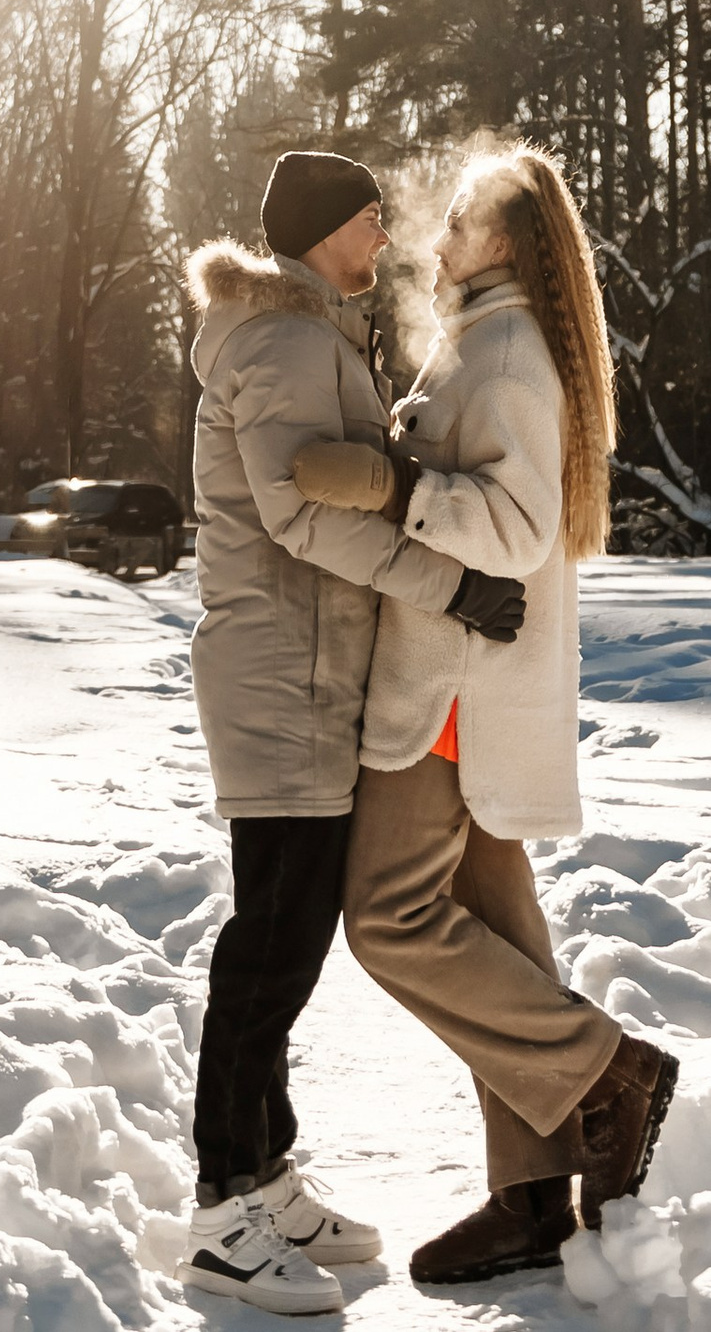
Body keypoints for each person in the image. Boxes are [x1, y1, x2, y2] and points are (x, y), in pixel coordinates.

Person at [301, 142, 675, 1285]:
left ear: (507, 239)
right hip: (463, 684)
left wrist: (395, 485)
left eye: (461, 220)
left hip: (449, 694)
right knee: (499, 940)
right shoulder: (489, 337)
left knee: (389, 917)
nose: (440, 235)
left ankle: (609, 1071)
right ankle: (529, 1196)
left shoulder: (505, 353)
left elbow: (513, 532)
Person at [183, 146, 530, 1314]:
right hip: (281, 671)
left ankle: (266, 1174)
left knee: (290, 933)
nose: (384, 236)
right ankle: (222, 1208)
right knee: (271, 944)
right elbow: (301, 517)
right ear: (324, 227)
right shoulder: (285, 341)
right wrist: (452, 584)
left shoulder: (312, 332)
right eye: (369, 217)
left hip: (309, 668)